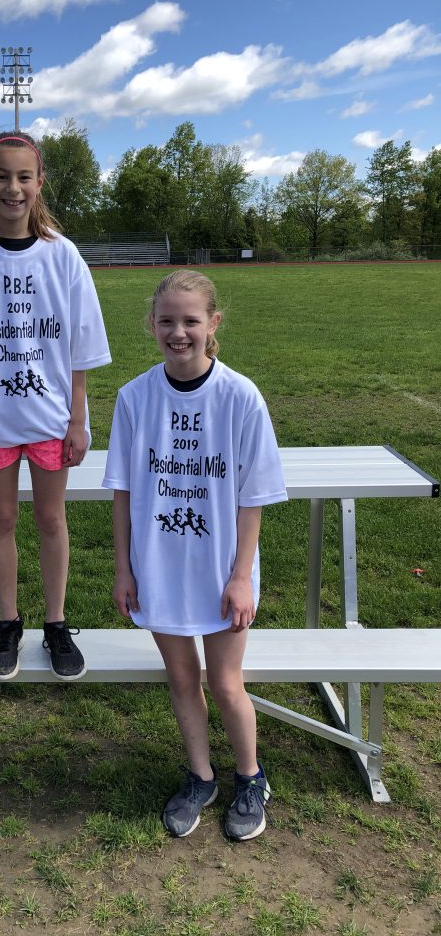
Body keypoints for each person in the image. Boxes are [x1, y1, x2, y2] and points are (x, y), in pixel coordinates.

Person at [102, 270, 287, 841]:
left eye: (190, 321)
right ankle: (200, 775)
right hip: (159, 567)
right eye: (167, 321)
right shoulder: (135, 397)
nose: (178, 332)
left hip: (220, 570)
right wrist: (125, 568)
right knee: (181, 678)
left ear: (213, 324)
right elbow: (124, 493)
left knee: (225, 683)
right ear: (151, 326)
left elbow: (253, 496)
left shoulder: (240, 396)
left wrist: (241, 578)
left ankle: (250, 777)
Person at [0, 131, 111, 681]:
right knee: (3, 517)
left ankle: (56, 624)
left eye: (24, 177)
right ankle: (9, 622)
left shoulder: (63, 256)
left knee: (50, 517)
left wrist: (78, 418)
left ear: (39, 183)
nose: (13, 188)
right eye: (1, 177)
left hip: (49, 420)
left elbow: (80, 344)